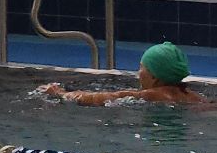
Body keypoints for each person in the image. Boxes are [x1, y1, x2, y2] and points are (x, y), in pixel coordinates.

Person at [38, 41, 206, 105]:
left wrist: (61, 93)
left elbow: (102, 98)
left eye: (141, 67)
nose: (138, 72)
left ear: (154, 76)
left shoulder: (151, 95)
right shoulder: (192, 96)